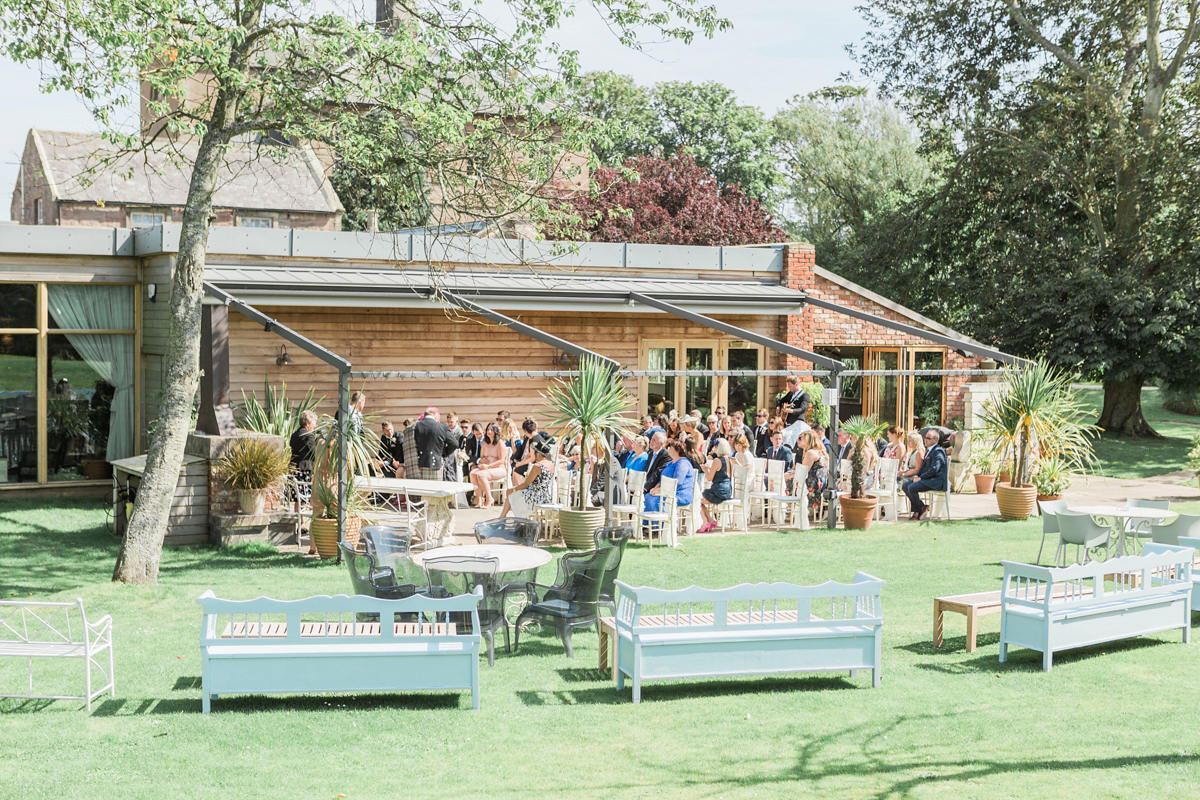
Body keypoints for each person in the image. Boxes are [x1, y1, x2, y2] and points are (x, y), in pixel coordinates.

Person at [499, 437, 555, 519]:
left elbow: (526, 483)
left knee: (511, 493)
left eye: (535, 453)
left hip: (535, 497)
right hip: (546, 496)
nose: (534, 455)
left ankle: (502, 518)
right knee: (513, 493)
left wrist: (513, 490)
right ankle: (503, 518)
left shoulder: (537, 466)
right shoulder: (551, 464)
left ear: (539, 453)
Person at [398, 405, 458, 480]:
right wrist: (442, 453)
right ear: (435, 417)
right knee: (434, 489)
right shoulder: (442, 427)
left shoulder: (411, 428)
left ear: (424, 416)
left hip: (414, 467)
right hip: (434, 465)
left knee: (417, 490)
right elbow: (454, 444)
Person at [905, 428, 949, 520]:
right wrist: (917, 475)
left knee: (912, 487)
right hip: (928, 479)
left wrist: (921, 478)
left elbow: (934, 469)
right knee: (905, 485)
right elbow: (923, 468)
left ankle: (917, 511)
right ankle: (921, 507)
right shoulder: (928, 450)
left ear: (935, 440)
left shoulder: (938, 451)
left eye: (928, 438)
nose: (925, 440)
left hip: (936, 481)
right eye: (925, 437)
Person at [647, 439, 694, 512]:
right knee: (648, 496)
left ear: (677, 450)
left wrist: (659, 490)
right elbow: (661, 479)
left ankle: (661, 521)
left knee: (654, 500)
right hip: (666, 491)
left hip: (679, 494)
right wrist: (655, 488)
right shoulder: (670, 463)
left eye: (671, 448)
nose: (668, 449)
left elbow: (677, 482)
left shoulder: (683, 463)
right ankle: (650, 522)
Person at [469, 422, 509, 508]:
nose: (489, 431)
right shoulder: (484, 443)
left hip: (498, 468)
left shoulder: (500, 443)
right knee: (472, 473)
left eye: (492, 430)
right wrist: (481, 464)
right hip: (486, 468)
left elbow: (501, 460)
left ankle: (489, 498)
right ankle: (479, 500)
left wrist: (489, 466)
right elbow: (482, 457)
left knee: (481, 474)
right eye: (488, 429)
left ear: (496, 431)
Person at [698, 438, 734, 532]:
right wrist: (711, 470)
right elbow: (722, 474)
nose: (714, 448)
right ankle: (710, 520)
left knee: (696, 500)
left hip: (718, 491)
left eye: (715, 446)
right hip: (728, 491)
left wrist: (706, 470)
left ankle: (706, 521)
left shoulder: (717, 460)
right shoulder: (729, 460)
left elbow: (709, 478)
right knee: (699, 499)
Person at [797, 429, 829, 518]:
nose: (798, 440)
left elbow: (802, 473)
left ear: (808, 440)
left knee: (785, 481)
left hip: (814, 485)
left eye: (800, 438)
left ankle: (789, 510)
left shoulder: (811, 452)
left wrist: (786, 475)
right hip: (819, 483)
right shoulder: (818, 450)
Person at [641, 432, 671, 512]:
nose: (651, 441)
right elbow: (647, 472)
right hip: (646, 483)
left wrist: (644, 488)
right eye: (652, 439)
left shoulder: (666, 455)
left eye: (654, 440)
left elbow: (657, 473)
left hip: (654, 486)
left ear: (661, 444)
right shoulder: (651, 454)